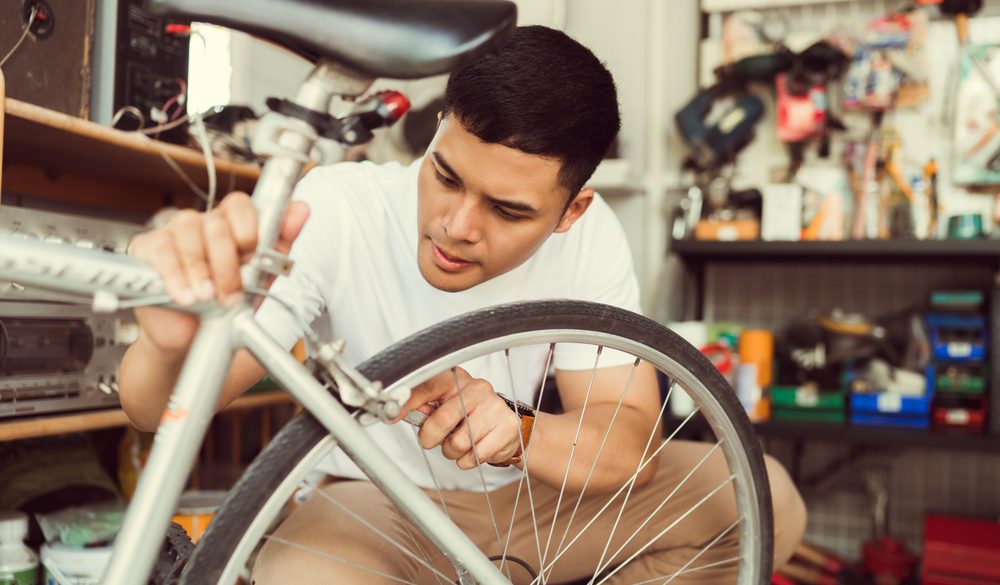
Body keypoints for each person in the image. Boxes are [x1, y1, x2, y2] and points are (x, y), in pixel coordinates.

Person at [120, 25, 805, 584]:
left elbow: (630, 444)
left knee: (767, 499)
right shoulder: (336, 206)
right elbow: (154, 410)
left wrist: (521, 430)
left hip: (533, 503)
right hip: (369, 503)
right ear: (441, 126)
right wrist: (171, 341)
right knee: (304, 577)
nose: (457, 224)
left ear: (572, 210)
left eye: (508, 209)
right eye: (445, 176)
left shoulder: (592, 237)